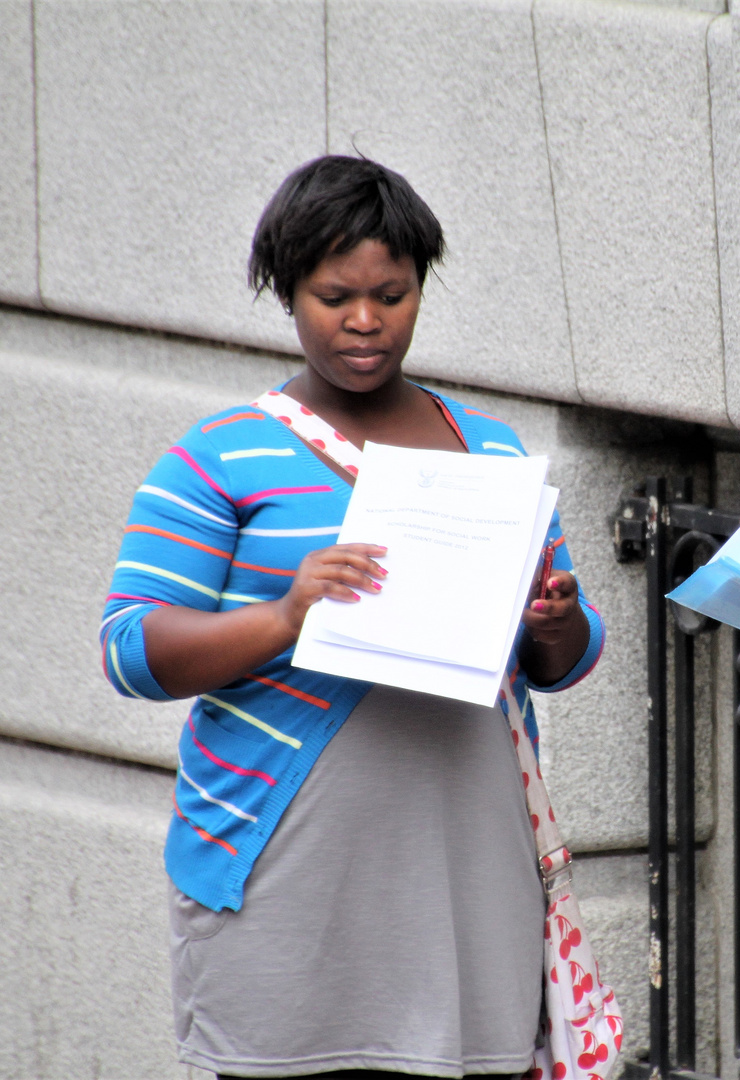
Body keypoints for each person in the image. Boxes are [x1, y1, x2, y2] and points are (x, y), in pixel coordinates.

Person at [99, 155, 604, 1079]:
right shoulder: (219, 456)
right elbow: (132, 650)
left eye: (393, 294)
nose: (366, 321)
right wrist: (288, 613)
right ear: (286, 293)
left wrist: (555, 619)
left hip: (467, 868)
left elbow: (561, 658)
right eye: (335, 296)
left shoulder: (488, 448)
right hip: (290, 878)